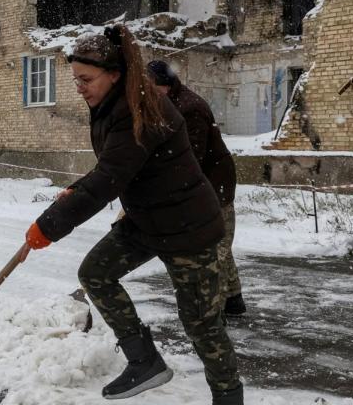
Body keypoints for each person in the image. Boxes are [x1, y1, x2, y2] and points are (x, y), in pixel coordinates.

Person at [24, 26, 244, 404]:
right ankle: (143, 360)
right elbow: (113, 167)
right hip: (147, 219)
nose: (79, 87)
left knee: (201, 324)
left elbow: (110, 177)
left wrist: (50, 224)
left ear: (114, 74)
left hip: (188, 226)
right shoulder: (114, 102)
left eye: (86, 79)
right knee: (96, 272)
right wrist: (77, 190)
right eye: (75, 78)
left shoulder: (140, 110)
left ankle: (228, 397)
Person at [147, 60, 245, 316]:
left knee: (215, 249)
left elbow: (190, 158)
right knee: (220, 244)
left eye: (151, 88)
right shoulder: (170, 103)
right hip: (203, 182)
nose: (147, 94)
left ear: (165, 85)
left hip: (214, 185)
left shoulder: (189, 108)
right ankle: (234, 299)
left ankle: (215, 313)